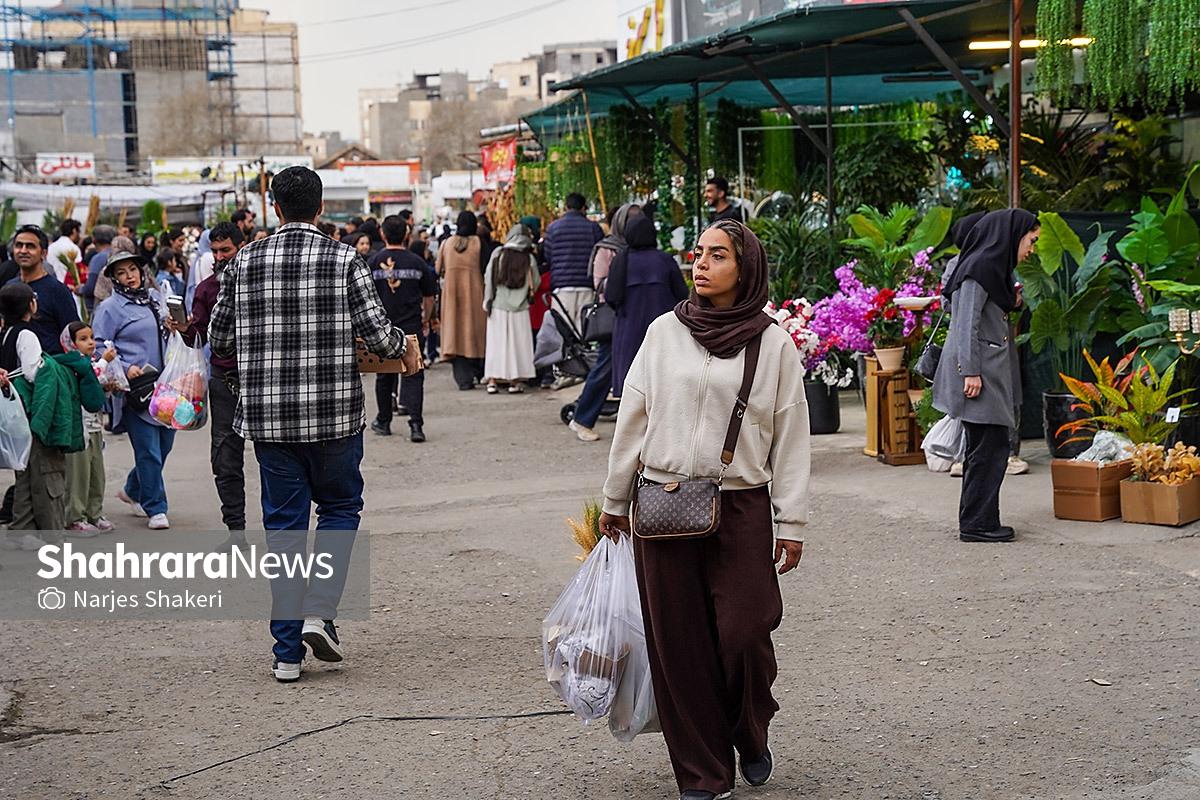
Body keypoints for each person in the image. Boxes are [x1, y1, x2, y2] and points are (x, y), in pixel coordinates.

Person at [598, 219, 810, 800]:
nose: (702, 263)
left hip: (741, 505)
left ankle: (749, 727)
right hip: (662, 502)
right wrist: (615, 497)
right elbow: (633, 417)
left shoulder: (773, 343)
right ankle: (704, 773)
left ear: (745, 268)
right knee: (679, 645)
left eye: (718, 255)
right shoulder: (664, 332)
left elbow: (791, 438)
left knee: (746, 631)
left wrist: (791, 521)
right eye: (698, 253)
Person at [208, 166, 406, 684]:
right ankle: (320, 611)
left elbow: (219, 340)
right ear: (321, 208)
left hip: (270, 421)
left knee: (284, 529)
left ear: (275, 208)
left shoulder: (243, 261)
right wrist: (399, 346)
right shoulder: (345, 259)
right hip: (335, 416)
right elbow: (379, 337)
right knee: (339, 508)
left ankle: (286, 654)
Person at [933, 209, 1039, 544]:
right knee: (987, 449)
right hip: (979, 376)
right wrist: (971, 372)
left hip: (988, 372)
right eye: (1031, 240)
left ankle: (981, 520)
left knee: (988, 448)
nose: (1032, 249)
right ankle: (977, 524)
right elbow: (966, 324)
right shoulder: (977, 270)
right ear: (1013, 235)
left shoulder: (991, 269)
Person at [0, 285, 105, 549]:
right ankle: (51, 534)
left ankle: (22, 530)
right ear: (31, 306)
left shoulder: (6, 333)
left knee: (25, 475)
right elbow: (35, 373)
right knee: (48, 475)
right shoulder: (26, 334)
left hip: (14, 415)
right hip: (33, 414)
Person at [178, 221, 249, 549]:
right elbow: (197, 336)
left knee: (276, 455)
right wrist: (183, 327)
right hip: (223, 381)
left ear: (241, 247)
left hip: (260, 381)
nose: (220, 257)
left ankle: (282, 530)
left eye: (226, 250)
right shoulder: (206, 289)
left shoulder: (258, 281)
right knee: (225, 459)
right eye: (215, 251)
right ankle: (236, 531)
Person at [91, 250, 174, 530]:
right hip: (136, 389)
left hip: (166, 386)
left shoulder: (154, 298)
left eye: (133, 270)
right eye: (121, 273)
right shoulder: (110, 308)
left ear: (141, 271)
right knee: (148, 450)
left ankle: (132, 489)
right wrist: (125, 368)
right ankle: (156, 508)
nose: (129, 276)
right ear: (114, 278)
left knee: (164, 446)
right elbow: (99, 346)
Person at [569, 204, 640, 442]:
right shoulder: (607, 248)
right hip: (614, 315)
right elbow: (600, 284)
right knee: (605, 367)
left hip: (634, 316)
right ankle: (582, 418)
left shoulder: (639, 248)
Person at [368, 216, 435, 442]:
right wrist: (427, 318)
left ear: (382, 234)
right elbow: (429, 296)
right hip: (411, 326)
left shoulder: (373, 262)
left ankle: (383, 420)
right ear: (406, 234)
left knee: (384, 376)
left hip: (383, 329)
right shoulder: (417, 263)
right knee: (414, 374)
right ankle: (416, 425)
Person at [607, 214, 689, 396]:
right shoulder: (665, 260)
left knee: (633, 387)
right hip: (663, 331)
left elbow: (611, 297)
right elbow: (682, 295)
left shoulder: (621, 261)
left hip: (628, 330)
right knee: (662, 386)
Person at [61, 321, 116, 534]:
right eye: (83, 339)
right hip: (79, 428)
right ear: (71, 343)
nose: (91, 342)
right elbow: (91, 373)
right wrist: (105, 361)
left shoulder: (89, 362)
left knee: (96, 473)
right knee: (78, 475)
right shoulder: (72, 364)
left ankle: (95, 512)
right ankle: (75, 516)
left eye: (92, 337)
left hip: (95, 426)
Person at [483, 224, 539, 395]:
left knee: (496, 344)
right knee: (518, 345)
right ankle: (514, 381)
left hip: (498, 305)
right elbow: (535, 282)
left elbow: (489, 278)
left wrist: (487, 301)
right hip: (520, 308)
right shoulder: (528, 258)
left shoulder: (498, 253)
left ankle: (492, 381)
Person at [7, 225, 80, 352]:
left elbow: (73, 334)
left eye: (30, 246)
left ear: (44, 253)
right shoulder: (9, 287)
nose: (23, 251)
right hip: (13, 362)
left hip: (49, 361)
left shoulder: (57, 291)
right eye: (19, 245)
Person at [436, 211, 487, 390]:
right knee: (475, 332)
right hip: (475, 293)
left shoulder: (446, 243)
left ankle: (463, 380)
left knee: (455, 333)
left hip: (451, 295)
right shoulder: (479, 243)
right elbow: (485, 267)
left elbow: (438, 268)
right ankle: (478, 372)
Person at [542, 193, 604, 332]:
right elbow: (598, 256)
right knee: (584, 329)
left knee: (563, 330)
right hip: (586, 284)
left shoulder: (553, 228)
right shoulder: (593, 228)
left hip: (562, 286)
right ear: (583, 208)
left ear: (566, 207)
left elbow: (548, 256)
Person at [80, 225, 115, 314]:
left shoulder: (98, 259)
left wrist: (80, 289)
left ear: (94, 239)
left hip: (99, 307)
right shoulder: (118, 254)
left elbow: (90, 288)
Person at [47, 218, 83, 283]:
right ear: (74, 231)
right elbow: (78, 271)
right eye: (79, 232)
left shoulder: (50, 247)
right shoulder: (73, 248)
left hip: (51, 283)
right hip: (68, 285)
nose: (79, 236)